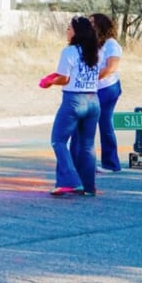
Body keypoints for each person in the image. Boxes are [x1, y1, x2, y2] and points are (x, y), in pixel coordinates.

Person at [39, 16, 99, 197]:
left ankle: (69, 181)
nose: (67, 31)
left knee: (58, 141)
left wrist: (49, 83)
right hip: (93, 100)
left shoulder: (69, 52)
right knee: (87, 146)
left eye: (69, 28)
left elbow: (64, 78)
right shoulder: (96, 52)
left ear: (76, 32)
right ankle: (88, 186)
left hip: (74, 100)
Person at [91, 13, 123, 173]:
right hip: (95, 87)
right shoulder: (95, 43)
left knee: (104, 123)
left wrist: (91, 78)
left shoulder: (111, 44)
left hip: (108, 88)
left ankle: (111, 164)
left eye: (92, 23)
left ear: (101, 25)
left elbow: (111, 68)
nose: (90, 26)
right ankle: (83, 160)